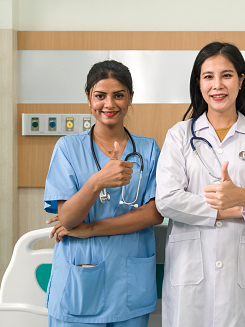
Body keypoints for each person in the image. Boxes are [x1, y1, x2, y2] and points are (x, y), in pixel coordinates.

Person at [155, 41, 245, 327]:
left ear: (241, 80)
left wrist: (240, 195)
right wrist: (241, 204)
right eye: (208, 76)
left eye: (227, 75)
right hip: (192, 266)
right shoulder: (180, 135)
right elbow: (167, 199)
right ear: (199, 83)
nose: (217, 85)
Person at [43, 60, 163, 327]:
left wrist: (91, 229)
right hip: (79, 281)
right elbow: (69, 218)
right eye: (100, 95)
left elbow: (153, 213)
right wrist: (97, 181)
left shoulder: (149, 149)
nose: (109, 104)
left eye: (119, 95)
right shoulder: (67, 148)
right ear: (88, 98)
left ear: (130, 98)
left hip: (129, 282)